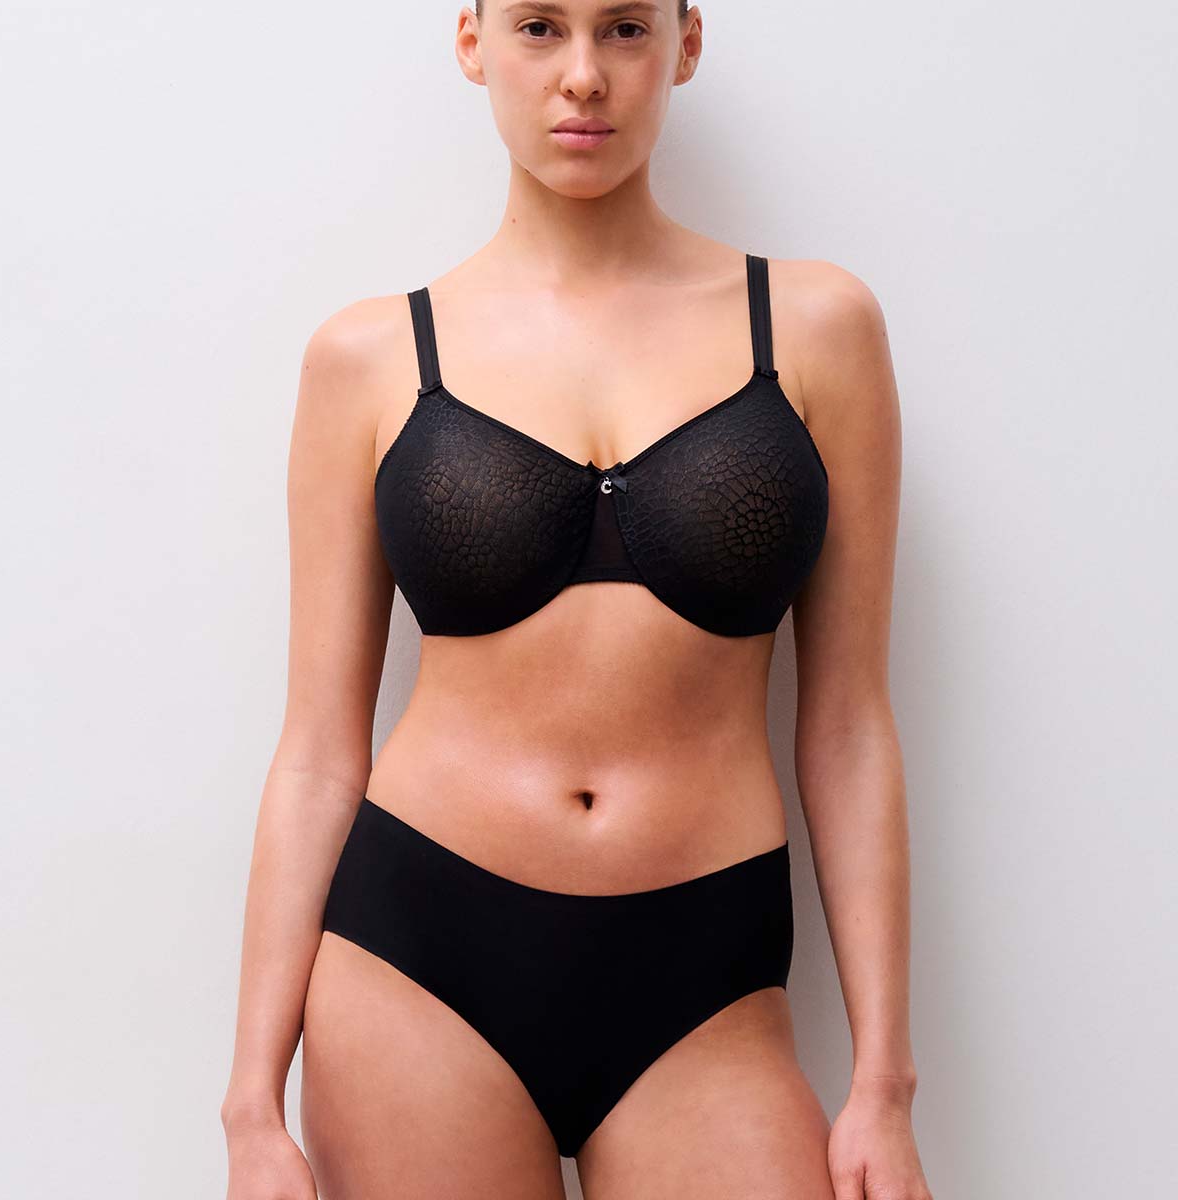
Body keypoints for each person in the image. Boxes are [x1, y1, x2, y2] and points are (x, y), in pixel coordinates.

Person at [221, 3, 933, 1198]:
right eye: (541, 28)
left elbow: (851, 726)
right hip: (418, 963)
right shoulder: (369, 358)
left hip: (706, 974)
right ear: (474, 43)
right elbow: (316, 753)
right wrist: (251, 1106)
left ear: (687, 43)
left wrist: (884, 1083)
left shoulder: (818, 331)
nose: (585, 77)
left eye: (626, 30)